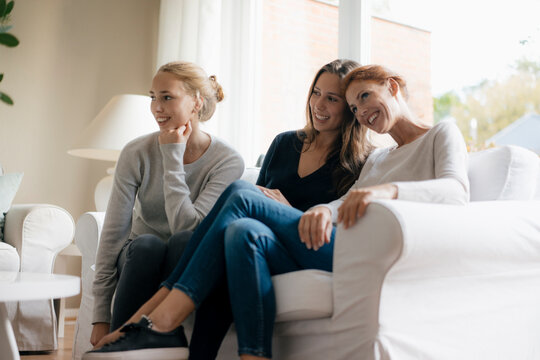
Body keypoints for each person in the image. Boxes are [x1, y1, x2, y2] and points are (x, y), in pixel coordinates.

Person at [85, 64, 469, 360]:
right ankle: (248, 354)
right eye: (356, 105)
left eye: (365, 98)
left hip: (364, 252)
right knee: (242, 233)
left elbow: (456, 193)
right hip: (334, 239)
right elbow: (345, 201)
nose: (363, 111)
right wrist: (321, 209)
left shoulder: (441, 133)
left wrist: (389, 191)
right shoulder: (381, 156)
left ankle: (160, 317)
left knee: (240, 195)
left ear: (393, 87)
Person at [89, 61, 245, 348]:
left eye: (167, 97)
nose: (156, 107)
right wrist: (100, 316)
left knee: (185, 240)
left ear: (196, 102)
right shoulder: (136, 152)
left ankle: (160, 340)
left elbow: (187, 227)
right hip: (139, 258)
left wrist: (172, 156)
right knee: (149, 245)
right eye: (153, 97)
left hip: (185, 260)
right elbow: (114, 233)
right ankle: (118, 345)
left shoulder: (227, 161)